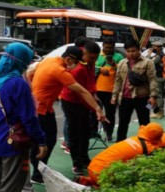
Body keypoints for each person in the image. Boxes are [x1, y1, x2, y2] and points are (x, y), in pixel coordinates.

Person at [0, 42, 48, 192]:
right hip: (12, 139)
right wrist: (41, 140)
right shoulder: (18, 83)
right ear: (21, 60)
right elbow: (28, 118)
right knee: (11, 182)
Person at [30, 46, 106, 183]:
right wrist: (97, 109)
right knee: (47, 140)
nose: (76, 66)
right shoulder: (60, 71)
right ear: (69, 59)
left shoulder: (48, 61)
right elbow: (82, 91)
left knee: (45, 139)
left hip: (43, 107)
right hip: (40, 109)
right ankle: (37, 171)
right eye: (76, 63)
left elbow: (30, 73)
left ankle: (39, 167)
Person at [75, 122, 165, 187]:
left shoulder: (134, 138)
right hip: (103, 174)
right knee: (128, 183)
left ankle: (87, 180)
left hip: (93, 165)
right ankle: (96, 185)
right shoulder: (150, 148)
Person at [61, 40, 101, 175]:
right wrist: (94, 107)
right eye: (91, 57)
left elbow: (90, 83)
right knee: (75, 134)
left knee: (85, 133)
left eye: (96, 58)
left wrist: (94, 95)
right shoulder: (78, 69)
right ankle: (76, 163)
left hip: (85, 100)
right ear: (84, 53)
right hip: (72, 102)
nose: (93, 60)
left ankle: (84, 158)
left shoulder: (89, 64)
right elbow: (79, 93)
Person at [111, 39, 158, 142]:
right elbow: (118, 80)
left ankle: (146, 145)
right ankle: (120, 145)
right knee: (123, 123)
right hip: (124, 99)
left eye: (133, 51)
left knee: (144, 123)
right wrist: (114, 95)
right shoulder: (122, 63)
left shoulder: (148, 63)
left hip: (142, 98)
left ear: (139, 50)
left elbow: (153, 80)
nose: (131, 54)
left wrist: (153, 96)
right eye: (128, 51)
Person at [95, 37, 124, 141]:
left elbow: (123, 72)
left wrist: (114, 66)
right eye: (106, 47)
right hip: (97, 90)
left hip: (112, 91)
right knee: (95, 112)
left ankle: (109, 133)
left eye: (110, 48)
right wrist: (100, 69)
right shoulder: (97, 55)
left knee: (110, 114)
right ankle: (94, 133)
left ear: (114, 47)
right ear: (103, 46)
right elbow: (90, 67)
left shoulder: (119, 57)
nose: (108, 50)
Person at [147, 41, 165, 119]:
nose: (153, 48)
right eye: (152, 46)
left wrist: (149, 54)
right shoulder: (159, 55)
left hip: (159, 77)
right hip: (158, 77)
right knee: (154, 94)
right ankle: (154, 111)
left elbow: (149, 62)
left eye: (154, 47)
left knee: (158, 95)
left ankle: (160, 112)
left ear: (159, 47)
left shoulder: (160, 55)